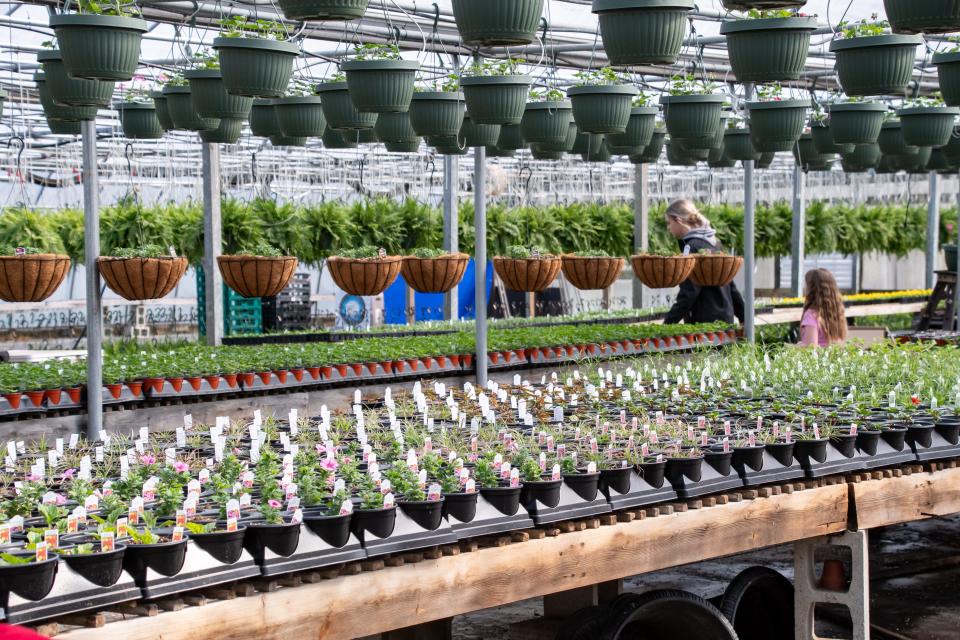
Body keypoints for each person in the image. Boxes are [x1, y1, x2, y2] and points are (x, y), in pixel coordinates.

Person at [663, 199, 745, 325]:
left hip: (703, 322)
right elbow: (730, 285)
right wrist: (743, 317)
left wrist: (667, 325)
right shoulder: (715, 243)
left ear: (678, 220)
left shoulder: (692, 248)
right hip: (725, 319)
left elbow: (689, 292)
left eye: (669, 223)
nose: (668, 228)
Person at [799, 268, 847, 347]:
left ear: (812, 290)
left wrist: (794, 346)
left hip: (819, 359)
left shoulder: (811, 315)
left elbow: (811, 348)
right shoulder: (837, 313)